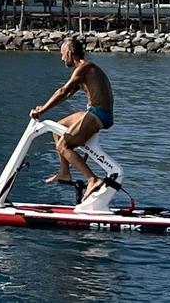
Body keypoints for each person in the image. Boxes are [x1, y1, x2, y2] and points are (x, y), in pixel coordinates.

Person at [30, 36, 114, 199]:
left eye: (62, 54)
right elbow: (67, 93)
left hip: (98, 114)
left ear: (69, 53)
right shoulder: (83, 71)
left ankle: (93, 179)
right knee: (56, 128)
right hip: (94, 111)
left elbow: (62, 91)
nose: (61, 58)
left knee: (63, 146)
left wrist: (42, 109)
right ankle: (64, 172)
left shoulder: (84, 68)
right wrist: (44, 109)